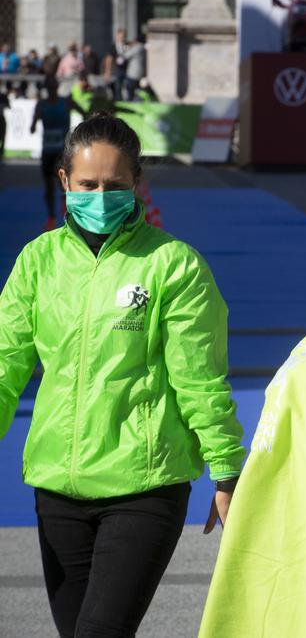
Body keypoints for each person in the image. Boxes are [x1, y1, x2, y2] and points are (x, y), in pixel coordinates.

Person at [0, 113, 245, 638]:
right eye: (88, 185)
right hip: (57, 487)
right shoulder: (37, 262)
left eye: (115, 185)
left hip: (144, 487)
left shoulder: (173, 265)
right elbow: (5, 365)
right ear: (64, 182)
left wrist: (226, 469)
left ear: (138, 184)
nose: (101, 195)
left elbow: (199, 377)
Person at [31, 76, 86, 230]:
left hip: (63, 152)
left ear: (57, 86)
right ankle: (51, 217)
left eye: (53, 86)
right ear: (46, 88)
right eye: (49, 87)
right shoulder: (41, 104)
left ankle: (67, 216)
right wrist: (37, 117)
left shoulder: (66, 102)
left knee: (65, 185)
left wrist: (80, 133)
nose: (52, 89)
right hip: (48, 151)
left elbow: (84, 113)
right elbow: (32, 128)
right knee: (49, 186)